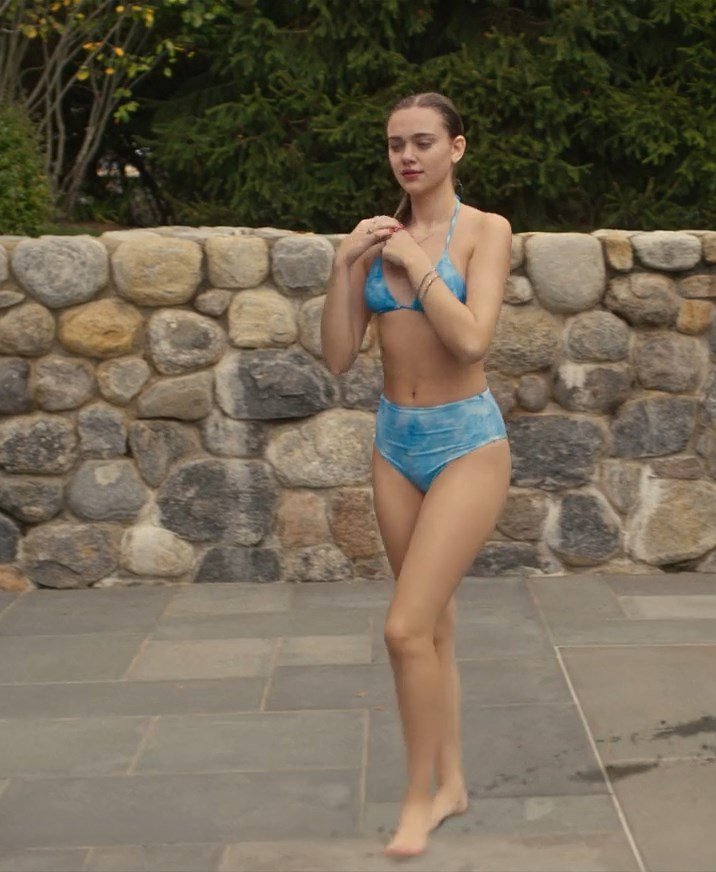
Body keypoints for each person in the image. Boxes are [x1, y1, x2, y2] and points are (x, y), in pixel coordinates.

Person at [319, 91, 513, 859]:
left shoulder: (486, 232)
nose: (407, 155)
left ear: (456, 148)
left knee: (403, 629)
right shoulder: (375, 240)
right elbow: (339, 357)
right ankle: (452, 783)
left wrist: (416, 263)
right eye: (396, 143)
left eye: (423, 141)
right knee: (430, 627)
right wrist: (344, 265)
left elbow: (471, 342)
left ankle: (417, 799)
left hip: (466, 442)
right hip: (394, 443)